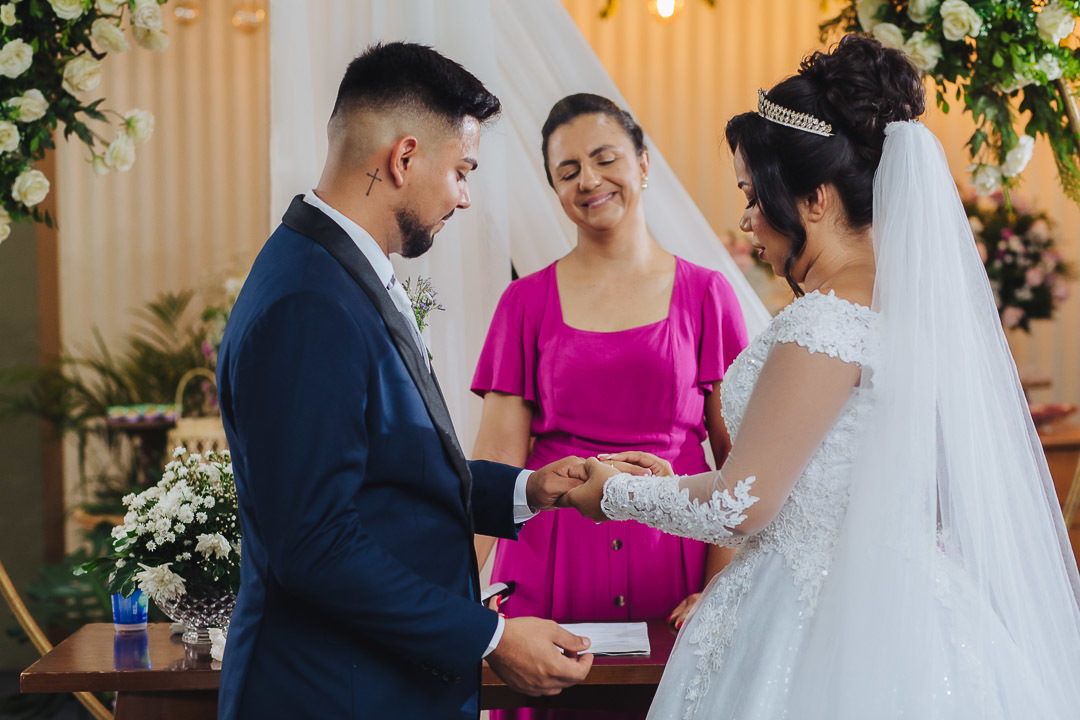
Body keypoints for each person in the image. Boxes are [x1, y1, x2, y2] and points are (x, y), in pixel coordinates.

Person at [561, 35, 1080, 719]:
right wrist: (681, 480)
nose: (747, 220)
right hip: (910, 602)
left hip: (815, 616)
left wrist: (615, 494)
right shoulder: (908, 313)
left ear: (813, 199)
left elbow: (743, 504)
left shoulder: (826, 323)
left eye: (754, 195)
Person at [216, 42, 595, 720]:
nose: (465, 198)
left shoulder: (333, 270)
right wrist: (491, 637)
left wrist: (529, 489)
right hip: (334, 694)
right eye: (461, 171)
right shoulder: (307, 301)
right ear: (404, 158)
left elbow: (388, 474)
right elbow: (315, 544)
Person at [470, 93, 748, 720]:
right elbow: (495, 461)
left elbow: (741, 462)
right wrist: (451, 598)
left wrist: (722, 587)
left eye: (604, 159)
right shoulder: (523, 303)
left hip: (677, 570)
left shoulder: (708, 294)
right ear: (555, 190)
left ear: (643, 164)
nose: (589, 180)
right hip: (549, 575)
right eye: (568, 171)